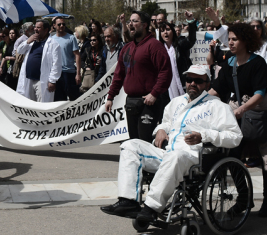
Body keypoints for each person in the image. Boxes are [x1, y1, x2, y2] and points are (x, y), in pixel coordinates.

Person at [100, 65, 242, 223]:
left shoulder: (217, 106)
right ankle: (128, 201)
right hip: (167, 153)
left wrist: (203, 135)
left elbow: (235, 136)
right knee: (130, 145)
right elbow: (166, 123)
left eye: (198, 81)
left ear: (208, 84)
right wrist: (160, 129)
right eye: (189, 80)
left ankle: (151, 207)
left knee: (175, 156)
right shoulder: (176, 102)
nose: (192, 84)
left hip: (192, 158)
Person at [207, 22, 267, 215]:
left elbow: (260, 93)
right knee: (232, 155)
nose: (230, 43)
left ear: (246, 41)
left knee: (266, 158)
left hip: (260, 114)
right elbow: (217, 89)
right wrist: (196, 100)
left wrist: (242, 110)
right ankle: (244, 199)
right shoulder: (228, 63)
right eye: (229, 39)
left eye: (234, 39)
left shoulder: (257, 63)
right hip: (238, 115)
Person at [105, 12, 172, 142]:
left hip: (149, 103)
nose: (130, 24)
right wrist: (110, 97)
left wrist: (154, 94)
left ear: (144, 25)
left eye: (135, 21)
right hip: (131, 102)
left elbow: (166, 72)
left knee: (145, 141)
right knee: (134, 142)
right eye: (130, 21)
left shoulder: (154, 46)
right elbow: (119, 75)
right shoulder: (126, 49)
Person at [15, 18, 62, 102]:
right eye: (35, 27)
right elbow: (19, 50)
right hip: (29, 79)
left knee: (42, 106)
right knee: (29, 105)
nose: (35, 29)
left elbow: (57, 64)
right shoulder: (32, 42)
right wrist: (28, 41)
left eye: (38, 27)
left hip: (42, 81)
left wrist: (52, 80)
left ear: (46, 30)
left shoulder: (53, 44)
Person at [159, 16, 197, 100]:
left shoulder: (180, 44)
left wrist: (191, 22)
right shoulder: (159, 49)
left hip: (183, 83)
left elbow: (191, 39)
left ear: (173, 31)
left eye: (168, 30)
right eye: (162, 31)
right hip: (167, 88)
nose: (165, 32)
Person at [52, 17, 81, 101]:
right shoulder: (51, 39)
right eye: (59, 24)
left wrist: (78, 74)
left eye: (63, 24)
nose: (62, 26)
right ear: (54, 26)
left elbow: (77, 55)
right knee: (59, 99)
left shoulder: (71, 38)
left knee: (73, 99)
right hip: (56, 74)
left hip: (69, 73)